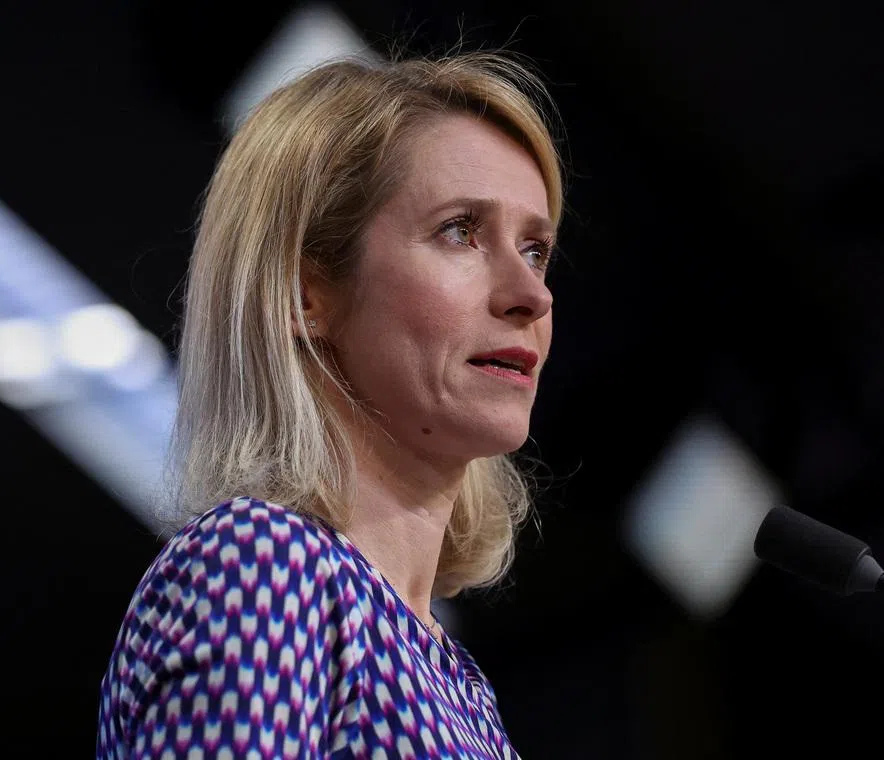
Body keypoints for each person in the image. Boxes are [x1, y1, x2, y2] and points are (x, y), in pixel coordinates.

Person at [96, 48, 564, 759]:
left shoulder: (462, 688)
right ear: (304, 294)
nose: (532, 295)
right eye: (461, 231)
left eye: (534, 249)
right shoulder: (263, 566)